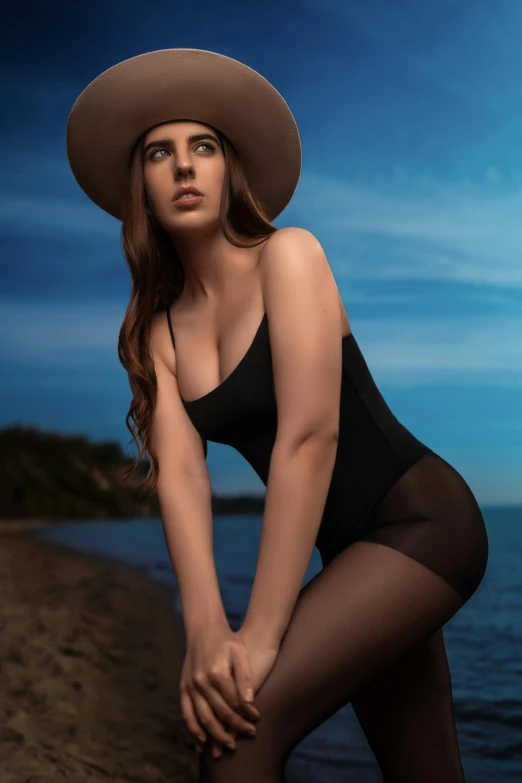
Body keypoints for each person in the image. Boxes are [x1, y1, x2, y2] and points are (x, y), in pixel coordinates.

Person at [66, 48, 489, 782]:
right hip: (352, 555)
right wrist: (203, 632)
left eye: (203, 147)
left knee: (237, 735)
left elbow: (309, 439)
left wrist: (258, 635)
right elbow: (182, 479)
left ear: (230, 170)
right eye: (160, 154)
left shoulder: (289, 257)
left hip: (424, 523)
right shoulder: (157, 333)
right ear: (141, 184)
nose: (185, 167)